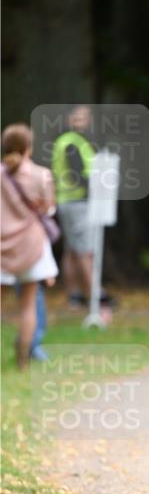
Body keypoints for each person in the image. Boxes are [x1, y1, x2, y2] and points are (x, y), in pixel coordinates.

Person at [1, 124, 58, 368]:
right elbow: (49, 208)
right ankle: (23, 357)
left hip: (2, 246)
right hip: (32, 246)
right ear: (28, 148)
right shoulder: (41, 174)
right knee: (28, 305)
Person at [52, 104, 96, 308]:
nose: (82, 121)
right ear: (70, 119)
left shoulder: (69, 141)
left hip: (67, 201)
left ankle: (74, 295)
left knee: (71, 250)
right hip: (77, 201)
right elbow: (78, 175)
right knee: (84, 250)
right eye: (77, 117)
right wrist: (94, 188)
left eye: (85, 117)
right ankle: (93, 296)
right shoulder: (72, 143)